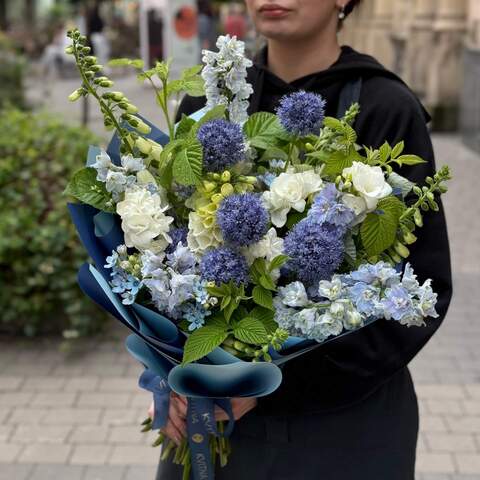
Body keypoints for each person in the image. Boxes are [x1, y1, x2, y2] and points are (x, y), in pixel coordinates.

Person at [153, 1, 453, 478]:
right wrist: (170, 374)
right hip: (213, 417)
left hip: (345, 426)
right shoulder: (209, 103)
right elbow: (159, 257)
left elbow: (421, 287)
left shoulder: (383, 107)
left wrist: (268, 382)